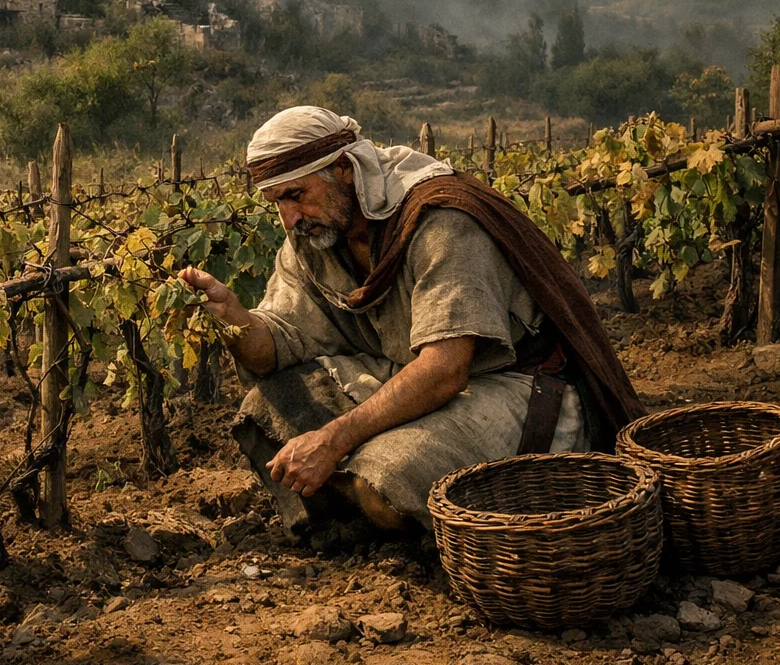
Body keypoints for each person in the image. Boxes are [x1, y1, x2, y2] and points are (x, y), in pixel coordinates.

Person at [179, 106, 644, 535]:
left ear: (345, 169)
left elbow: (445, 369)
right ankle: (367, 519)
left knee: (383, 480)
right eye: (277, 202)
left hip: (512, 385)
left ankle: (394, 520)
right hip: (409, 374)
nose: (289, 218)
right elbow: (276, 348)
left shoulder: (439, 220)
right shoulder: (315, 237)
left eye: (296, 196)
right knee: (267, 410)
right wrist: (232, 317)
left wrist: (334, 439)